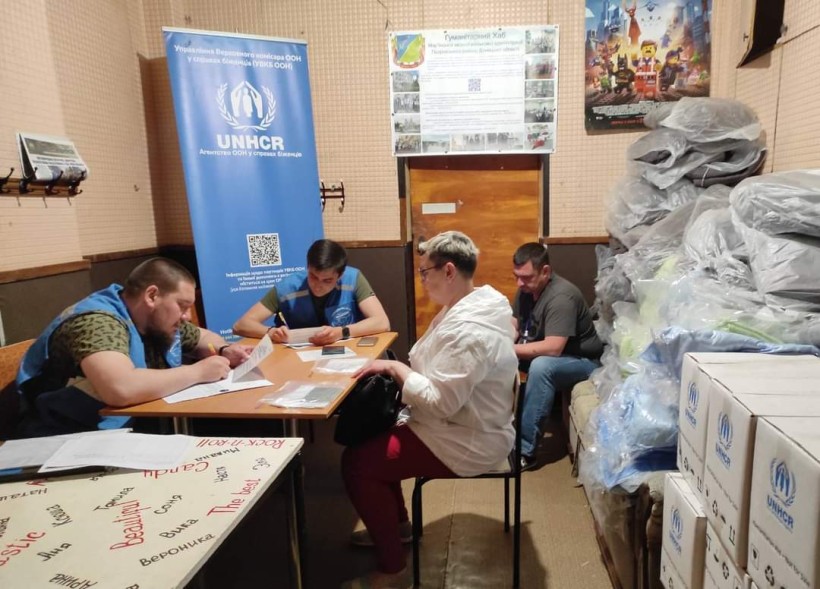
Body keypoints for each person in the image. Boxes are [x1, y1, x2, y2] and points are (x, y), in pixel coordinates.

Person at [340, 231, 518, 589]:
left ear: (448, 271)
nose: (421, 279)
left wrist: (395, 369)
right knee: (372, 441)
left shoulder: (469, 331)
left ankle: (393, 569)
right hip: (461, 424)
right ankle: (397, 527)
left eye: (425, 272)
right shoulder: (473, 306)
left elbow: (441, 402)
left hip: (468, 438)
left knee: (358, 463)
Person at [14, 258, 252, 438]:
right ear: (152, 296)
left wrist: (223, 349)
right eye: (182, 306)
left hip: (126, 432)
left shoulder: (153, 319)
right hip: (63, 439)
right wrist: (198, 372)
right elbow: (120, 389)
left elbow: (202, 336)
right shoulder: (98, 323)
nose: (187, 316)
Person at [512, 243, 603, 468]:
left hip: (582, 361)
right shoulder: (526, 290)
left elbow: (553, 347)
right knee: (494, 359)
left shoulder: (562, 297)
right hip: (548, 353)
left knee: (542, 367)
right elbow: (514, 324)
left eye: (526, 277)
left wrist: (507, 349)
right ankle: (495, 434)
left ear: (545, 271)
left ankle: (525, 451)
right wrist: (500, 341)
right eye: (517, 277)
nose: (519, 283)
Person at [233, 239, 390, 345]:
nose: (318, 286)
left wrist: (342, 332)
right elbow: (241, 325)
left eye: (327, 280)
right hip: (301, 358)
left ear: (340, 275)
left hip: (349, 353)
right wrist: (271, 332)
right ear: (307, 267)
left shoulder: (353, 278)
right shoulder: (288, 286)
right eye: (313, 277)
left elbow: (382, 322)